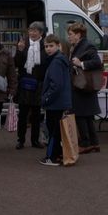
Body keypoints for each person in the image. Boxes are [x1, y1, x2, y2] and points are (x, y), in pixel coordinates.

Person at [67, 22, 103, 154]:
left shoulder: (87, 45)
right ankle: (94, 143)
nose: (68, 37)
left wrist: (81, 63)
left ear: (78, 34)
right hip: (82, 86)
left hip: (83, 86)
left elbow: (97, 62)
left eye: (70, 34)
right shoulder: (77, 46)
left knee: (81, 115)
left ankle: (86, 143)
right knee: (87, 116)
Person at [14, 21, 49, 149]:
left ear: (41, 33)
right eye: (30, 30)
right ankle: (20, 140)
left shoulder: (45, 45)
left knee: (36, 115)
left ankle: (35, 140)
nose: (32, 33)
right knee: (22, 115)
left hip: (39, 84)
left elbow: (47, 63)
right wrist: (19, 50)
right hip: (25, 83)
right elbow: (17, 63)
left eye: (35, 31)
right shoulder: (24, 43)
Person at [39, 35, 72, 166]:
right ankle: (58, 154)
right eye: (46, 46)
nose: (48, 49)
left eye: (51, 46)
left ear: (58, 46)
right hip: (60, 102)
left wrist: (46, 98)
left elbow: (56, 85)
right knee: (57, 131)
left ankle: (51, 157)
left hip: (55, 103)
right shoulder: (59, 60)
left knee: (53, 132)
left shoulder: (56, 61)